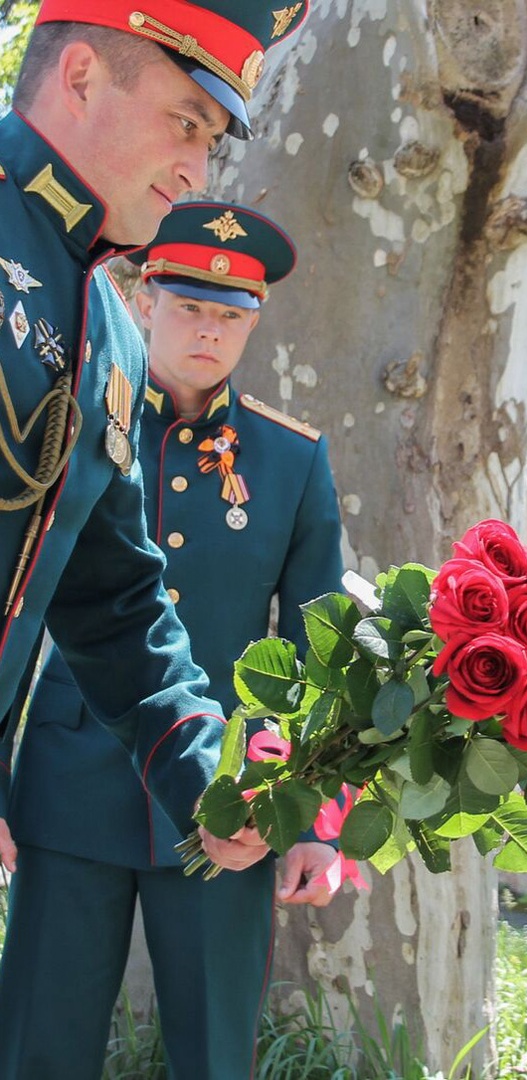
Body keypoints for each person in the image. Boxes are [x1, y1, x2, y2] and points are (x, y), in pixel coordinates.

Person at [0, 200, 346, 1078]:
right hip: (66, 787)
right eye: (189, 306)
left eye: (230, 316)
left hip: (225, 799)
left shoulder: (291, 458)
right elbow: (21, 602)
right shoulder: (78, 422)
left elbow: (316, 653)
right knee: (39, 1046)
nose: (209, 331)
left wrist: (314, 820)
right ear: (144, 297)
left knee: (214, 1057)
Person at [0, 0, 309, 883]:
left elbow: (115, 598)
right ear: (82, 75)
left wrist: (205, 774)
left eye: (211, 139)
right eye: (185, 122)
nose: (195, 169)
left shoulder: (112, 334)